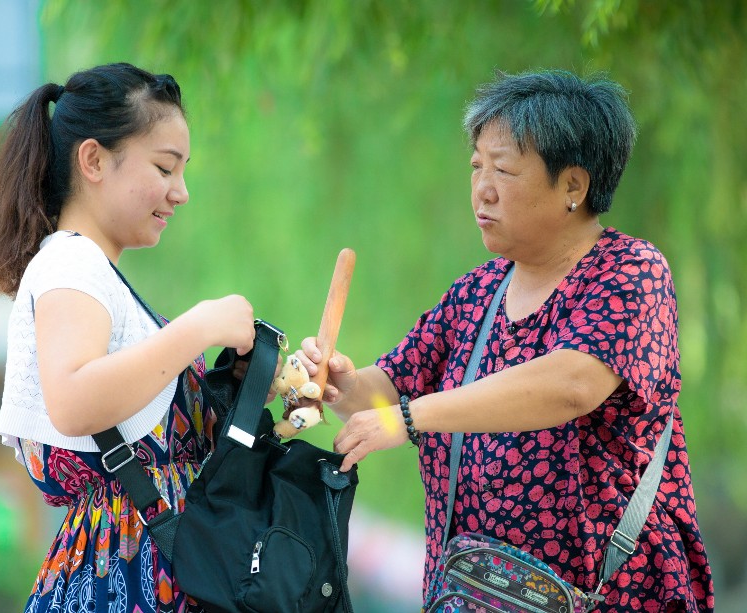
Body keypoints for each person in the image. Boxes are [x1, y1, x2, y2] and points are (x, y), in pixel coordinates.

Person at [298, 70, 714, 611]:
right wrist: (343, 384)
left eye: (504, 170)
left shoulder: (631, 272)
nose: (482, 188)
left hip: (609, 596)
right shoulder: (477, 291)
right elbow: (388, 392)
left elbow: (570, 384)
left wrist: (410, 417)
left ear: (573, 186)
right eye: (476, 166)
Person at [0, 62, 259, 611]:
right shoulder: (72, 264)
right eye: (165, 167)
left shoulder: (91, 271)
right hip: (127, 576)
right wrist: (200, 327)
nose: (181, 193)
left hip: (143, 562)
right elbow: (75, 400)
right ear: (94, 159)